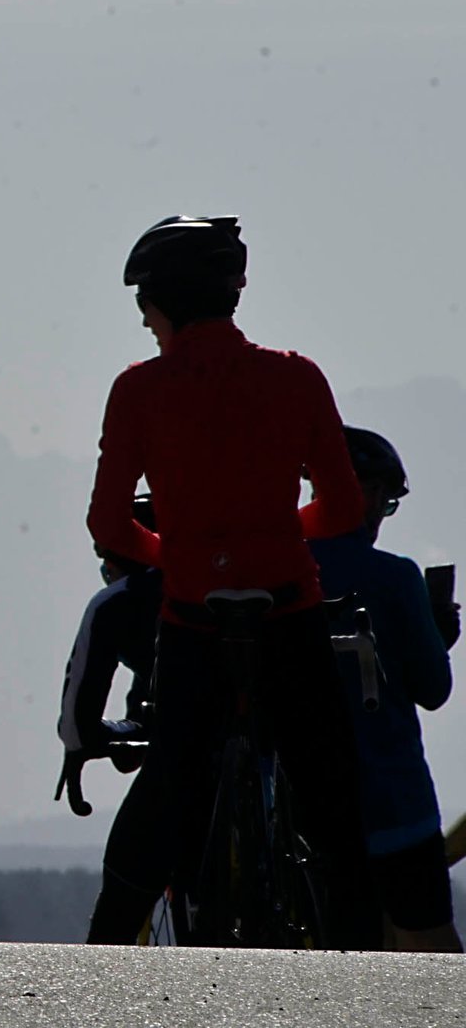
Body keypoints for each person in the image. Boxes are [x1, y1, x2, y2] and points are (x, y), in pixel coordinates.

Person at [85, 214, 370, 946]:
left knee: (169, 791)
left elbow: (110, 527)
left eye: (144, 305)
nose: (145, 321)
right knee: (333, 798)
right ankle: (369, 967)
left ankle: (97, 968)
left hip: (193, 621)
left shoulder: (138, 391)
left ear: (164, 301)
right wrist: (276, 533)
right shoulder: (297, 378)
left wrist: (176, 550)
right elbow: (343, 508)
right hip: (288, 611)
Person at [309, 425, 460, 951]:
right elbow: (433, 687)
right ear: (369, 494)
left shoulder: (279, 571)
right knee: (432, 957)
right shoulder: (394, 578)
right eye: (386, 501)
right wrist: (438, 636)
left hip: (305, 816)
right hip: (395, 807)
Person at [58, 497, 166, 944]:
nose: (107, 577)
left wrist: (89, 744)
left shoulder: (120, 602)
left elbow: (80, 723)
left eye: (108, 565)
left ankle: (102, 986)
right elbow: (144, 700)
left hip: (187, 750)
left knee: (128, 867)